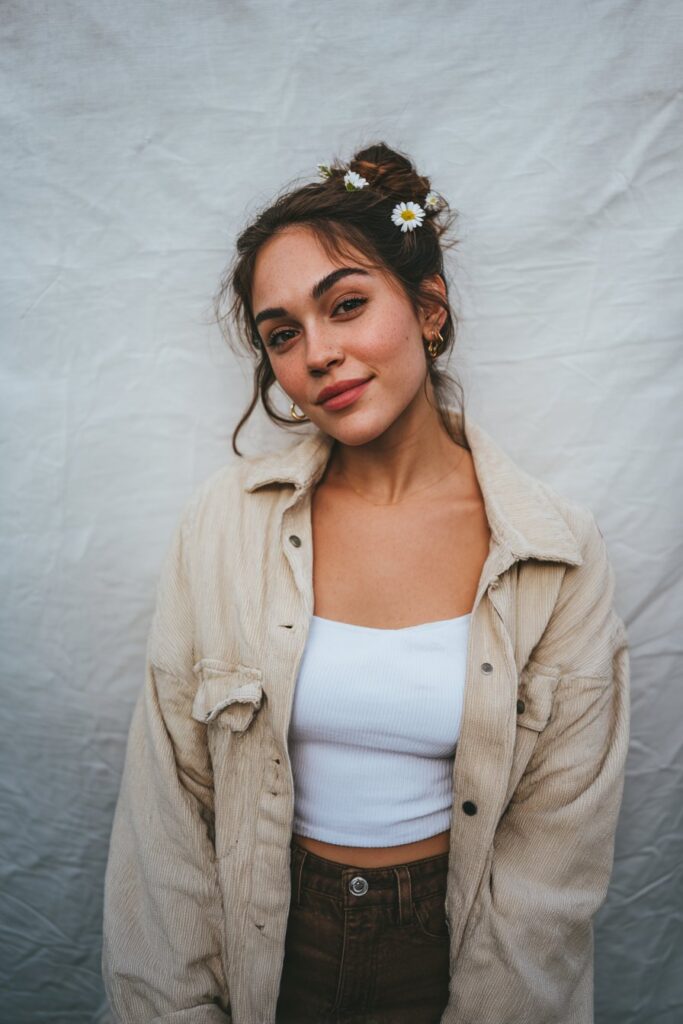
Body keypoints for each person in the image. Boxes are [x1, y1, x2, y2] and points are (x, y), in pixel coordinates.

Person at [101, 142, 630, 1024]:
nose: (317, 354)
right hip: (266, 941)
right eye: (282, 334)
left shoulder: (551, 552)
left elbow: (553, 863)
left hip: (453, 952)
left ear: (428, 309)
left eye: (346, 306)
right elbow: (169, 819)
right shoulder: (225, 524)